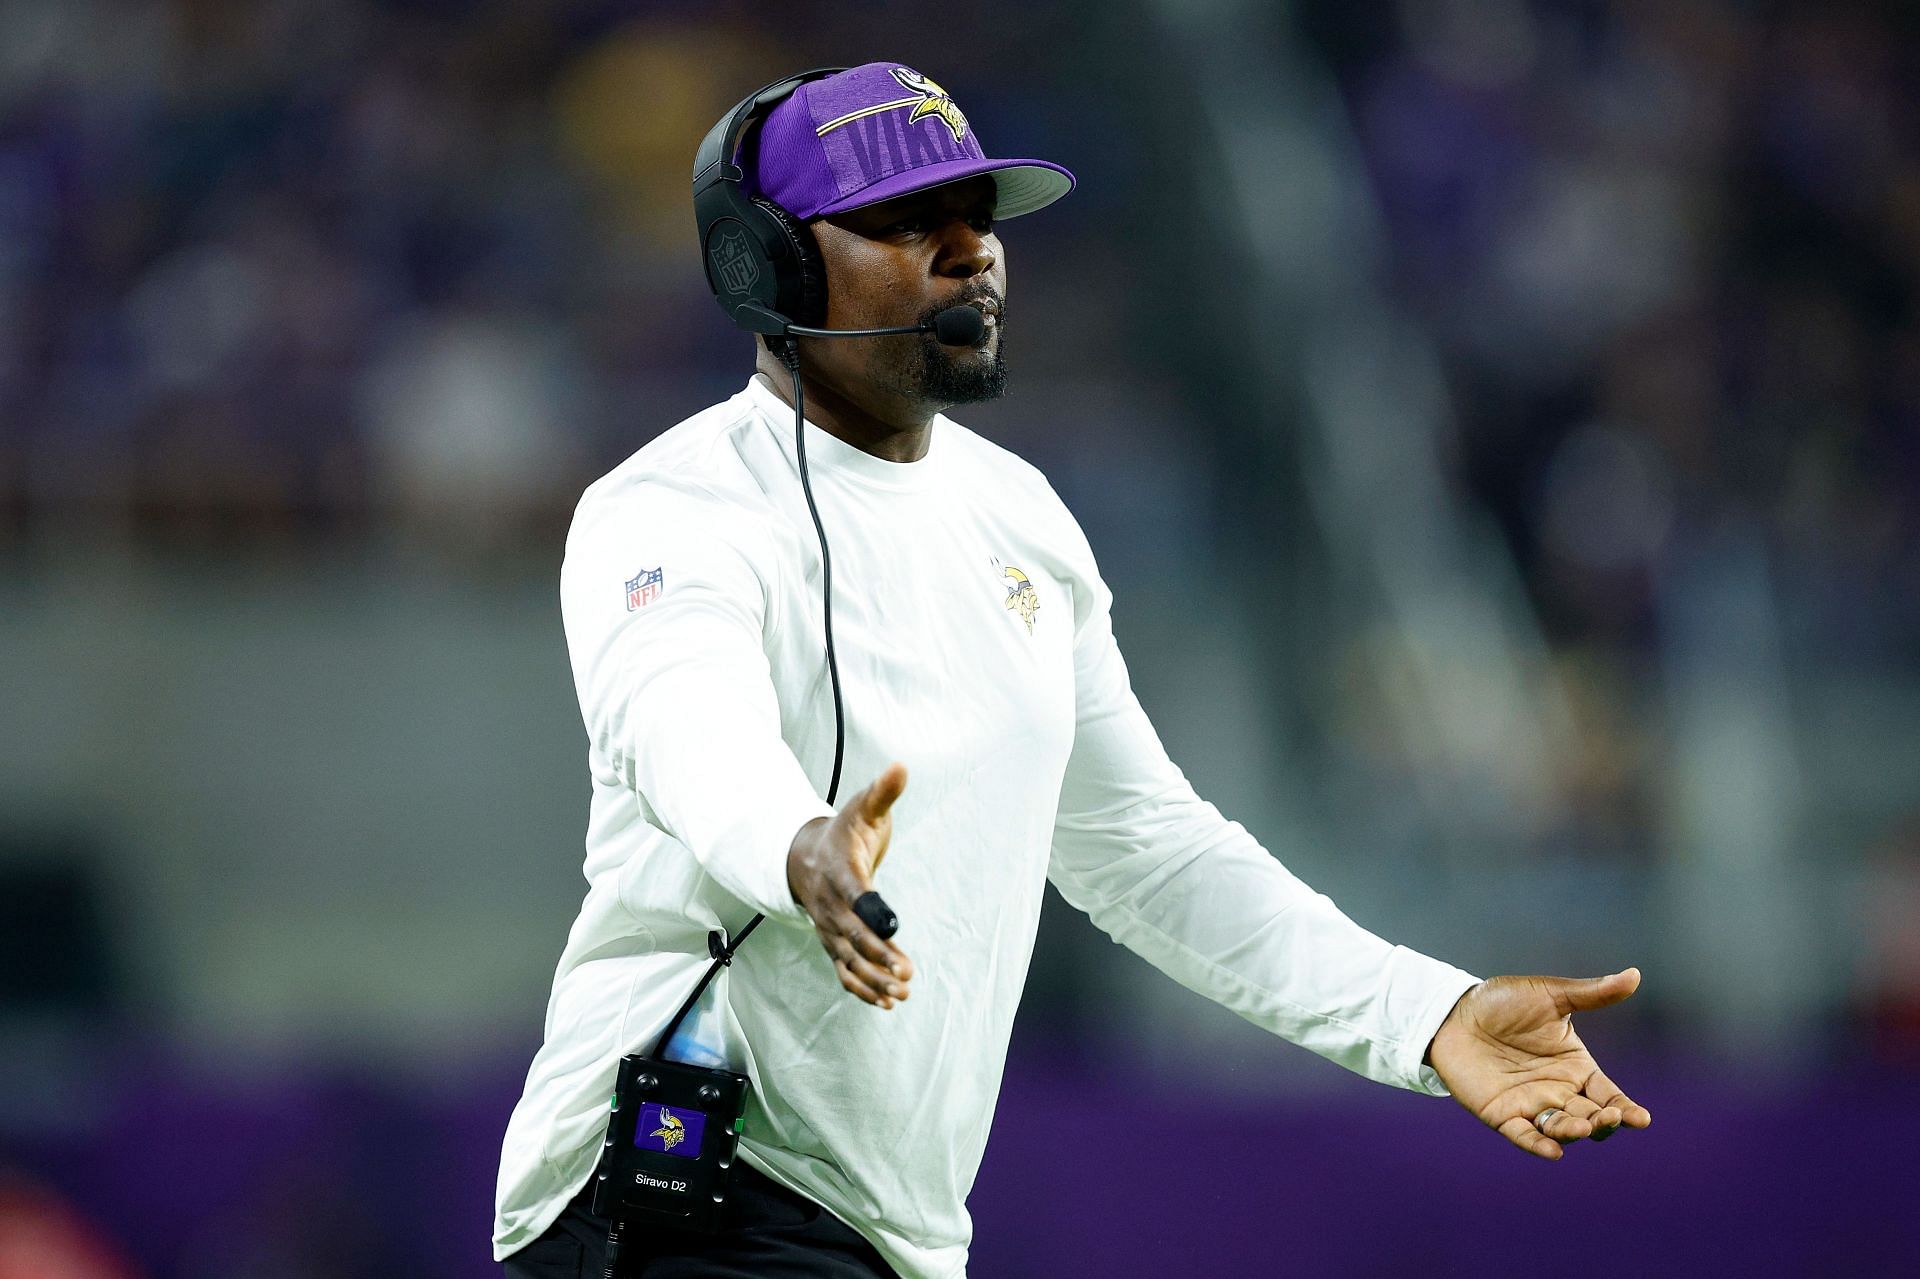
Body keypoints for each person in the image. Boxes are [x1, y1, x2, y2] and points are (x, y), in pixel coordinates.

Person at [494, 62, 1651, 1279]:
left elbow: (1147, 849)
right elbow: (686, 728)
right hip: (680, 1196)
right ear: (768, 264)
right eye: (906, 221)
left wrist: (1425, 1014)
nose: (970, 253)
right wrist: (798, 848)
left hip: (875, 1232)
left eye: (980, 216)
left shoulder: (1022, 520)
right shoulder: (674, 506)